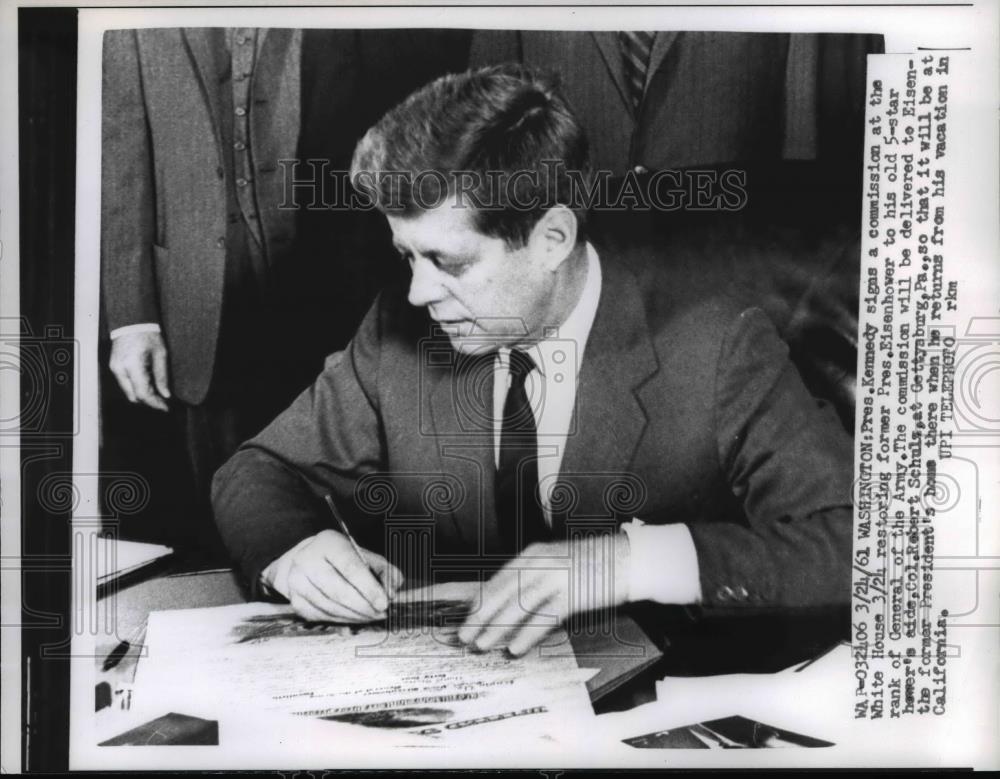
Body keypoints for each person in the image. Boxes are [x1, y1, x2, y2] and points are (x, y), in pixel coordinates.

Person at [212, 65, 854, 656]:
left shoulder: (717, 345)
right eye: (407, 256)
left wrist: (622, 563)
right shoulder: (401, 327)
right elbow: (258, 470)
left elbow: (857, 544)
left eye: (449, 262)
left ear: (552, 238)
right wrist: (293, 550)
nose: (417, 292)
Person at [101, 27, 470, 555]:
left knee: (352, 499)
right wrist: (133, 317)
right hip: (198, 298)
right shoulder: (132, 22)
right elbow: (120, 154)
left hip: (329, 293)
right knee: (221, 505)